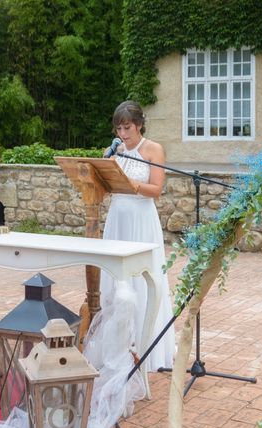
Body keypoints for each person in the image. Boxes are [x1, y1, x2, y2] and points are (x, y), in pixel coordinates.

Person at [89, 100, 175, 372]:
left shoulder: (153, 149)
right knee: (118, 279)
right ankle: (118, 344)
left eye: (127, 128)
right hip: (118, 218)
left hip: (141, 219)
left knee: (142, 278)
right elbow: (102, 185)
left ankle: (146, 344)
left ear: (138, 125)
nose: (122, 134)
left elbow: (157, 189)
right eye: (118, 128)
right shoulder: (114, 150)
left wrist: (131, 184)